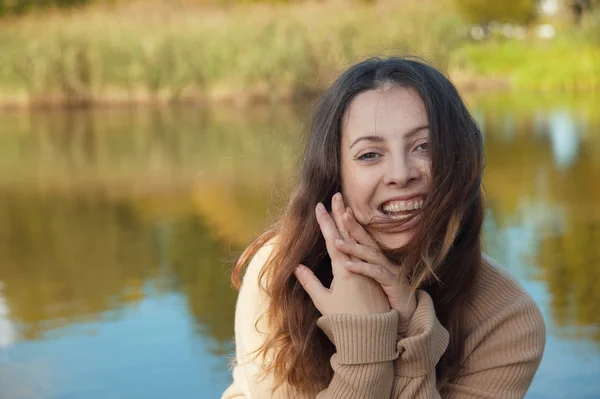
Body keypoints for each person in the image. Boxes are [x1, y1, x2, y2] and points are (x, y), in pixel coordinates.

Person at [221, 56, 546, 398]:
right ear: (335, 176)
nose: (401, 174)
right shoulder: (282, 275)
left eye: (425, 147)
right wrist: (365, 351)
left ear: (460, 160)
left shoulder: (507, 319)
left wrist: (412, 334)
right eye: (370, 155)